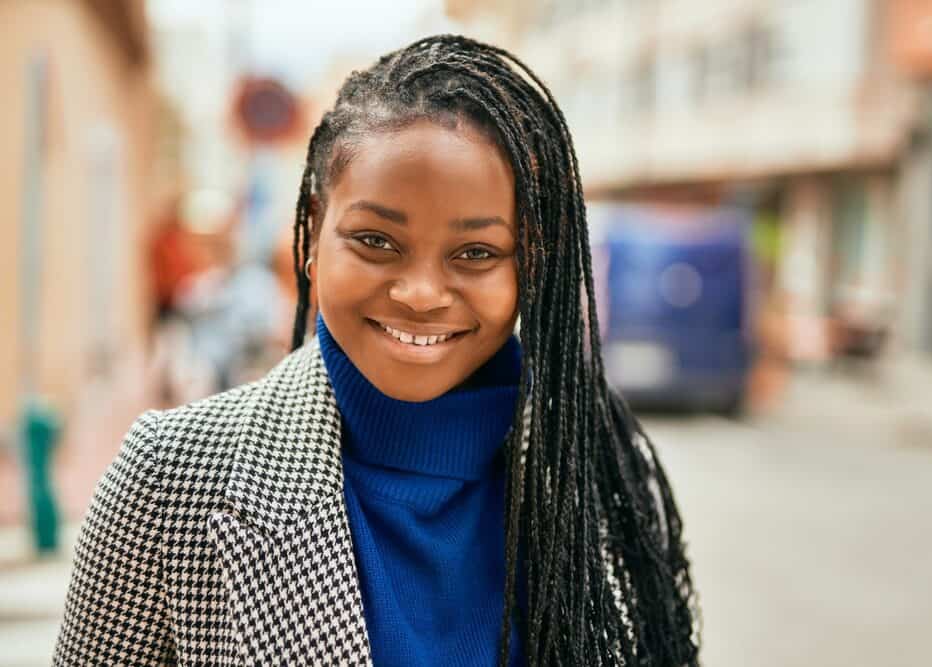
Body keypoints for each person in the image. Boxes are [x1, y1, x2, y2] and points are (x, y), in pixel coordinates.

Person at [54, 35, 699, 666]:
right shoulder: (171, 479)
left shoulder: (597, 482)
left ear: (529, 264)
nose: (420, 293)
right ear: (311, 234)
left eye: (476, 253)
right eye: (376, 241)